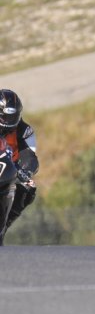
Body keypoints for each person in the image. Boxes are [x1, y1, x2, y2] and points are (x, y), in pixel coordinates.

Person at [0, 89, 39, 244]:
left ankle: (4, 225)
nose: (9, 121)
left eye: (13, 116)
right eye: (5, 116)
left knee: (29, 187)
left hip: (10, 170)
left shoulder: (24, 131)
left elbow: (30, 156)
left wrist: (26, 171)